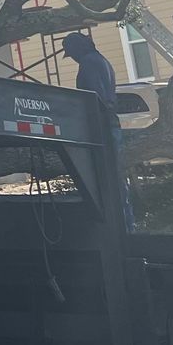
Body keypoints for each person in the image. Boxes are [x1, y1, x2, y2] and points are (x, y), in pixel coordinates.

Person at [62, 30, 134, 229]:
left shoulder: (89, 63)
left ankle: (121, 228)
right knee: (117, 179)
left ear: (77, 49)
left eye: (71, 53)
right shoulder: (101, 60)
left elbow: (96, 98)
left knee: (109, 179)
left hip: (102, 127)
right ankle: (127, 225)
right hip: (110, 124)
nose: (73, 58)